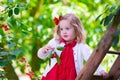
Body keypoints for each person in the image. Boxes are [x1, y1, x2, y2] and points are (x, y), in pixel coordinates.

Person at [37, 13, 108, 80]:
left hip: (71, 77)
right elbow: (41, 56)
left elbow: (91, 60)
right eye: (61, 29)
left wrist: (101, 70)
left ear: (76, 29)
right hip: (54, 76)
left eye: (67, 29)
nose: (64, 32)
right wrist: (43, 51)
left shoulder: (81, 46)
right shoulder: (56, 42)